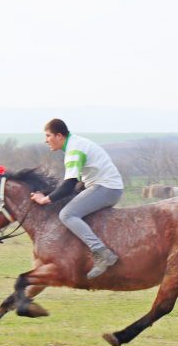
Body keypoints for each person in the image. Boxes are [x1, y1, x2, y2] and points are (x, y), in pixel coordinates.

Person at [30, 118, 124, 279]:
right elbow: (72, 183)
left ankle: (102, 253)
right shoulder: (75, 144)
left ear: (59, 136)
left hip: (106, 188)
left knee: (67, 214)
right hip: (104, 186)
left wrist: (45, 199)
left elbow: (69, 185)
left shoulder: (73, 150)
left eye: (48, 135)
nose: (46, 140)